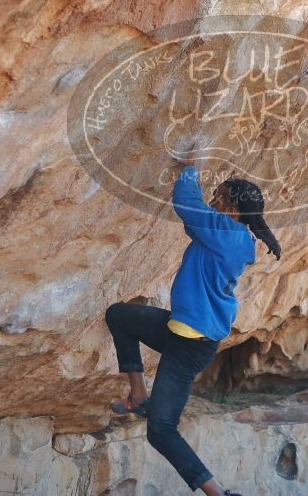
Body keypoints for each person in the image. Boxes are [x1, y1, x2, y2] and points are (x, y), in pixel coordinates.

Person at [105, 155, 281, 496]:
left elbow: (186, 203)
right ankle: (139, 393)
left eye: (217, 197)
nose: (211, 201)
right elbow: (194, 222)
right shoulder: (230, 234)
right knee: (119, 315)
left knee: (161, 430)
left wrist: (194, 168)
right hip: (178, 330)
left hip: (190, 347)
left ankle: (219, 493)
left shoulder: (224, 233)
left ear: (231, 211)